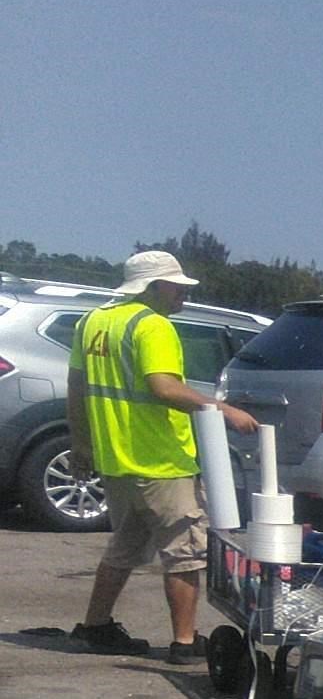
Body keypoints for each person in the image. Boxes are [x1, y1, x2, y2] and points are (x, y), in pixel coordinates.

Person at [66, 249, 256, 662]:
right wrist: (223, 410)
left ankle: (96, 625)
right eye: (176, 287)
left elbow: (77, 390)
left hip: (117, 459)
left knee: (125, 545)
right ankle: (185, 642)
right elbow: (164, 388)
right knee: (184, 552)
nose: (182, 295)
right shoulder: (153, 327)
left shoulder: (92, 322)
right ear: (153, 286)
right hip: (162, 461)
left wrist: (82, 445)